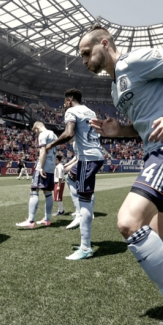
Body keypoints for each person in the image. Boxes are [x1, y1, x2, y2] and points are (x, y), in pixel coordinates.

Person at [82, 24, 163, 325]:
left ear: (105, 43)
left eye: (87, 52)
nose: (84, 60)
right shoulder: (115, 87)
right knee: (159, 237)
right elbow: (144, 127)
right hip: (158, 152)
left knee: (128, 222)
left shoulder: (135, 60)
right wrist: (120, 131)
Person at [45, 89, 105, 260]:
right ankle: (80, 211)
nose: (63, 105)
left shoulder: (71, 111)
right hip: (94, 154)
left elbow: (69, 133)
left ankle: (85, 247)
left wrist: (51, 145)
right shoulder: (91, 111)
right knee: (71, 177)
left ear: (70, 100)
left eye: (64, 102)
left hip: (87, 158)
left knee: (85, 199)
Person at [15, 122, 57, 229]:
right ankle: (47, 219)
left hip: (43, 166)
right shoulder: (54, 135)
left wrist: (41, 167)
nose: (36, 133)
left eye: (35, 131)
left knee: (34, 191)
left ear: (37, 128)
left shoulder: (43, 134)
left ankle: (30, 220)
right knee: (48, 193)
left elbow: (43, 151)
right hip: (51, 167)